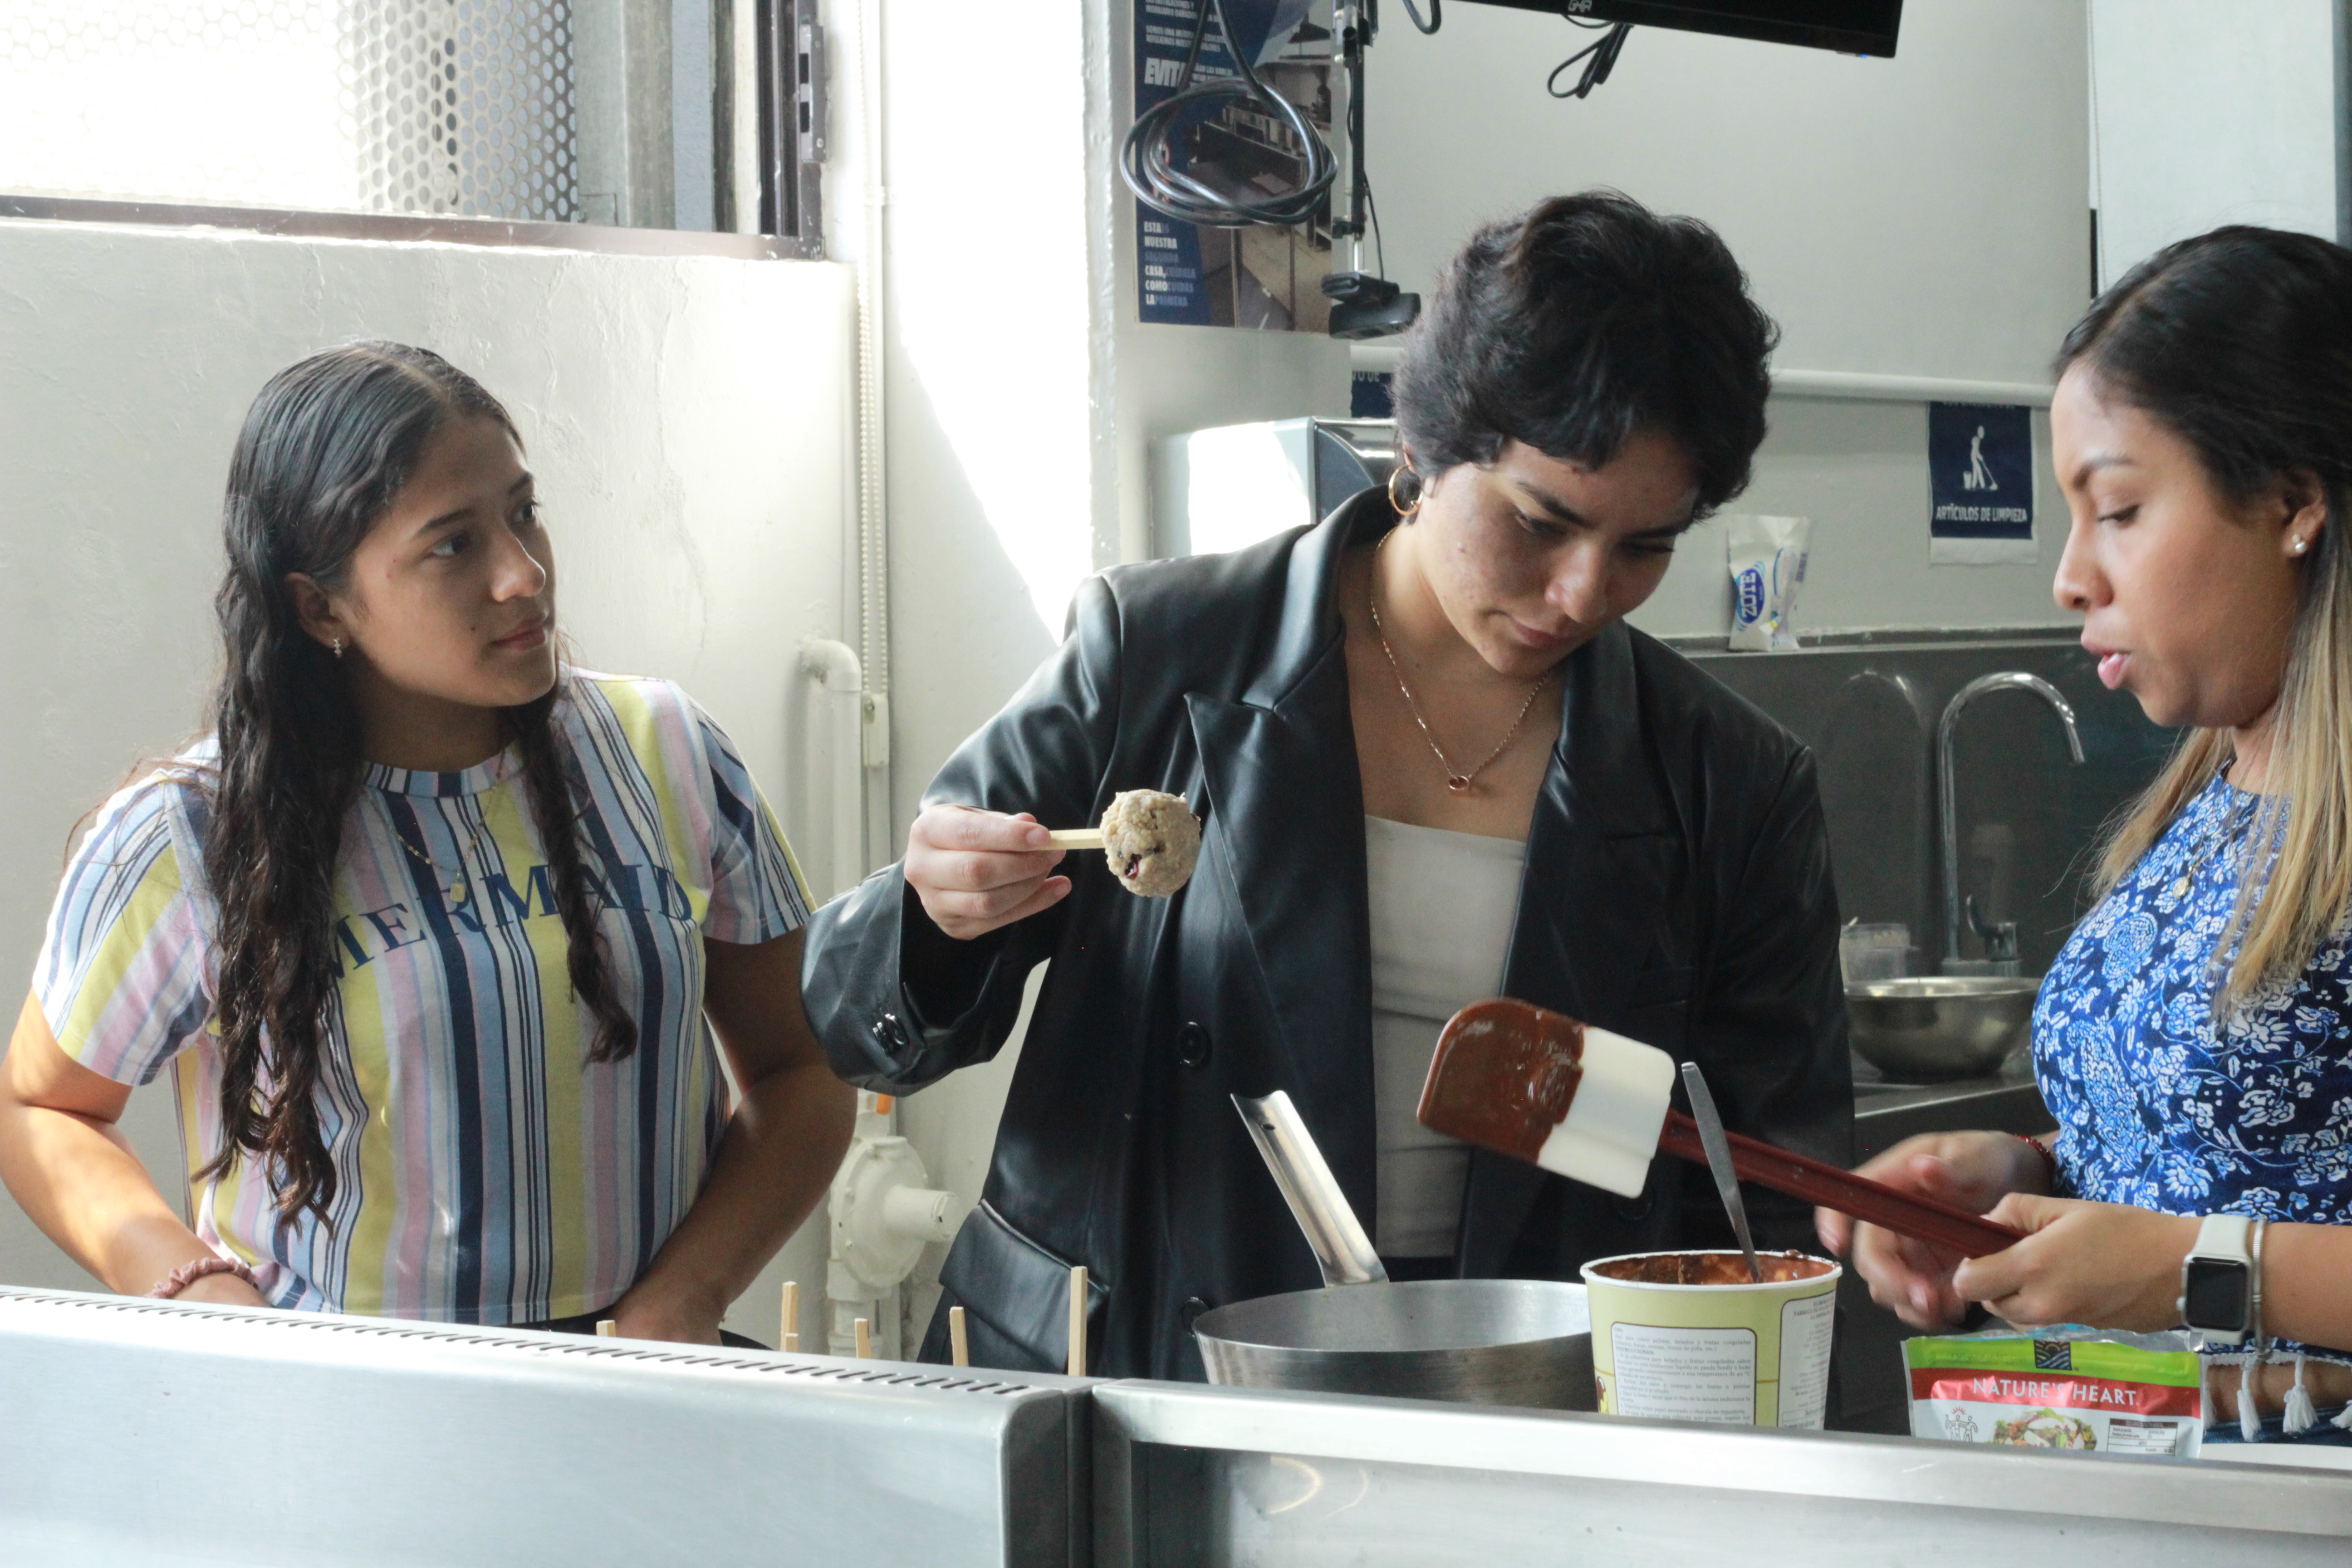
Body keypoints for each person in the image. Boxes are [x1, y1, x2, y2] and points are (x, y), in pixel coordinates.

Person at [803, 191, 1854, 1379]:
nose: (1580, 593)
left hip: (1515, 1388)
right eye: (1539, 523)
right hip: (1149, 1372)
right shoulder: (1160, 654)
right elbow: (852, 1024)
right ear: (1424, 448)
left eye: (1644, 549)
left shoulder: (1727, 784)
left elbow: (1769, 1197)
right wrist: (935, 921)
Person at [0, 343, 852, 1343]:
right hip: (338, 1411)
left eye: (524, 512)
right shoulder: (191, 835)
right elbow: (42, 1113)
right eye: (453, 545)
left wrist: (688, 1296)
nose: (522, 574)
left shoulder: (667, 753)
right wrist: (199, 1294)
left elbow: (804, 1071)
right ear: (321, 607)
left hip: (650, 1383)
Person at [1823, 227, 2352, 1440]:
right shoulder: (2214, 794)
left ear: (2292, 500)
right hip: (2134, 1491)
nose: (2068, 576)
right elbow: (2243, 1137)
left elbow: (2215, 1229)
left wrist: (2195, 1269)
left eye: (2116, 507)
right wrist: (2026, 1175)